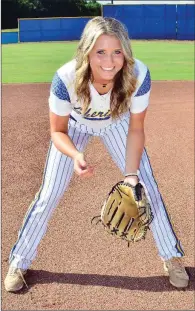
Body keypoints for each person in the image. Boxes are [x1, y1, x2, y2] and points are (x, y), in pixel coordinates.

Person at [4, 16, 189, 292]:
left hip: (118, 123)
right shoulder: (65, 78)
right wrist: (76, 155)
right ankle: (19, 261)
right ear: (86, 51)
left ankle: (171, 257)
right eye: (100, 51)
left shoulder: (139, 74)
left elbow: (136, 128)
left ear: (125, 52)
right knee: (49, 192)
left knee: (144, 187)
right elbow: (57, 131)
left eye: (117, 51)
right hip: (74, 128)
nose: (110, 61)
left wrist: (130, 176)